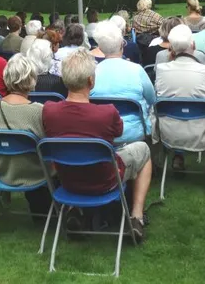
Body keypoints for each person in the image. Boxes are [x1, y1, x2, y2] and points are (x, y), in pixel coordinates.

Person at [42, 48, 152, 241]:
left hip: (68, 180)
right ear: (91, 81)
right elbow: (118, 133)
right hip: (105, 180)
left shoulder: (48, 111)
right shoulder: (106, 113)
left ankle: (77, 210)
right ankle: (136, 216)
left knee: (77, 150)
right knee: (143, 149)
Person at [155, 24, 205, 169]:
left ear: (171, 48)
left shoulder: (161, 70)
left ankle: (178, 156)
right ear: (193, 45)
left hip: (170, 134)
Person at [0, 54, 52, 216]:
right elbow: (47, 147)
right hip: (35, 173)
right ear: (31, 79)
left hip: (4, 171)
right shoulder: (38, 110)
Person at [89, 22, 155, 143]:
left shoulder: (92, 73)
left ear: (101, 48)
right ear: (121, 44)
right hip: (134, 132)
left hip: (101, 131)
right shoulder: (137, 70)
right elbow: (151, 99)